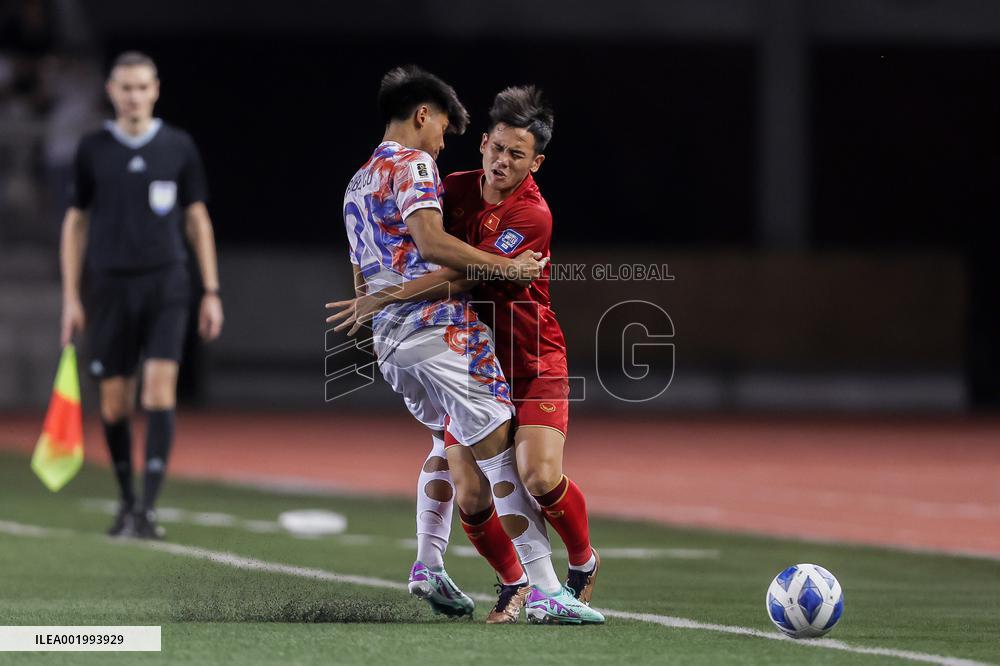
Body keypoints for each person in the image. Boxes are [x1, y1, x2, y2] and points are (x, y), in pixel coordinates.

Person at [328, 85, 603, 624]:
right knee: (475, 487)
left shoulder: (532, 215)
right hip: (452, 342)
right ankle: (521, 586)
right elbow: (445, 264)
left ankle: (575, 565)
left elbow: (411, 264)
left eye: (516, 155)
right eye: (495, 148)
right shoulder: (437, 180)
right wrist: (382, 298)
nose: (501, 160)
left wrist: (374, 302)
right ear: (482, 142)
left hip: (527, 355)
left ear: (536, 162)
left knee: (534, 474)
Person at [60, 51, 223, 539]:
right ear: (112, 91)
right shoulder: (92, 149)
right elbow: (75, 222)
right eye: (125, 88)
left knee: (158, 391)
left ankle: (148, 511)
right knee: (114, 405)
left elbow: (197, 219)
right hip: (108, 287)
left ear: (155, 90)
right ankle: (127, 501)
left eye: (142, 87)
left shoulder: (178, 146)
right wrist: (71, 296)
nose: (133, 96)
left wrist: (211, 290)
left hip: (166, 282)